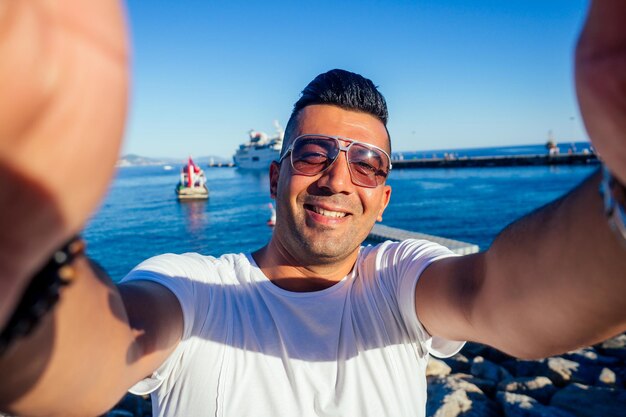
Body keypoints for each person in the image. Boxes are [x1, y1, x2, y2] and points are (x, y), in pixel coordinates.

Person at [1, 1, 625, 416]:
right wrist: (17, 255)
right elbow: (95, 356)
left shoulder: (398, 283)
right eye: (314, 154)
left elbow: (505, 295)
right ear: (274, 177)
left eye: (366, 164)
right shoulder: (192, 288)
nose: (336, 179)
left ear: (383, 198)